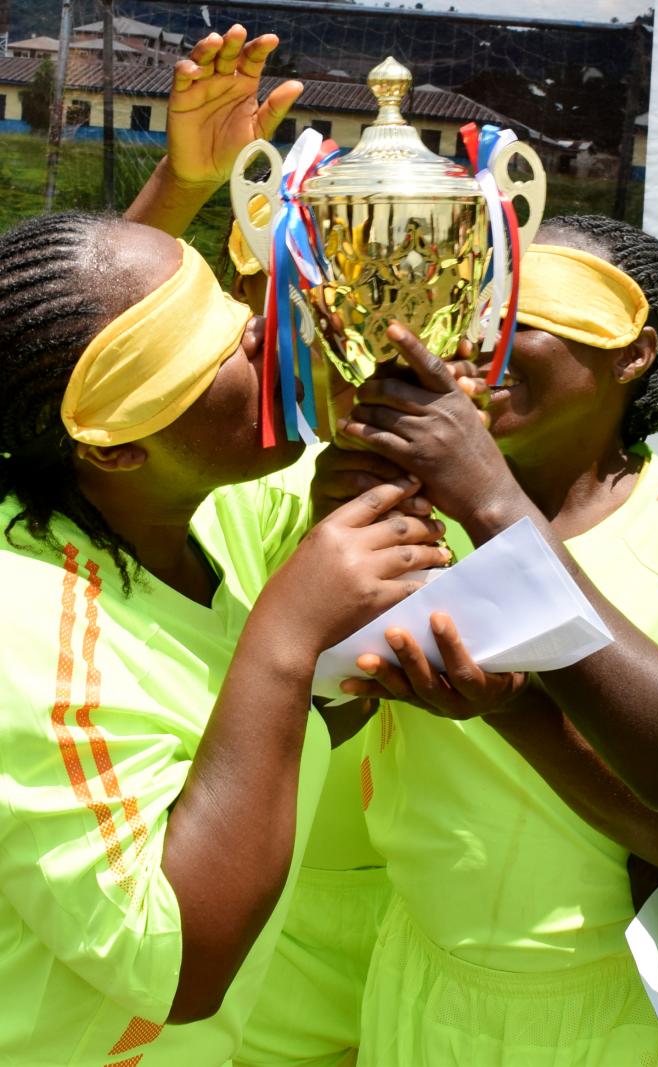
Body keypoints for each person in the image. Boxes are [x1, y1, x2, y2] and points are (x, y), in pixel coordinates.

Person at [318, 216, 658, 1066]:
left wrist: (513, 711)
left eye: (527, 318)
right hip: (423, 972)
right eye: (474, 314)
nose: (485, 341)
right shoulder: (406, 511)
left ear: (630, 355)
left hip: (619, 1004)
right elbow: (322, 726)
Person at [0, 208, 448, 1066]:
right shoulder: (28, 625)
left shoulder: (172, 547)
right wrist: (286, 635)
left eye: (229, 307)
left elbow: (233, 759)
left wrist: (340, 665)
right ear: (119, 449)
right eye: (208, 351)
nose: (257, 336)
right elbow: (181, 971)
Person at [128, 28, 394, 1066]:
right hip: (225, 962)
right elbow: (73, 387)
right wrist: (177, 183)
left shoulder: (464, 483)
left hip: (410, 955)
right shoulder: (202, 473)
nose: (276, 330)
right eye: (260, 301)